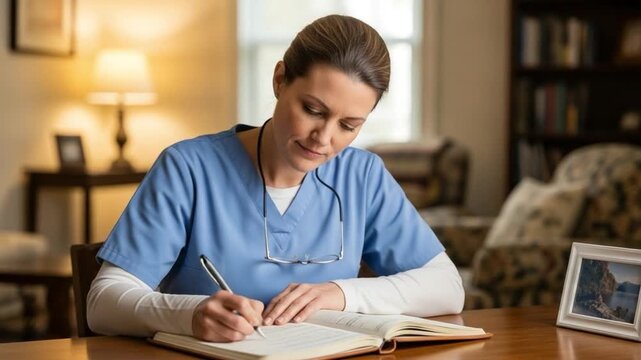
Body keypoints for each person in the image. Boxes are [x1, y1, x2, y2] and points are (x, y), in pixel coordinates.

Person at [87, 14, 464, 343]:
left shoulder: (360, 175)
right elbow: (103, 302)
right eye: (313, 110)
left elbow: (447, 288)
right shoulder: (188, 168)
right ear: (280, 79)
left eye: (349, 125)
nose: (325, 138)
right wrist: (189, 315)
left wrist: (341, 294)